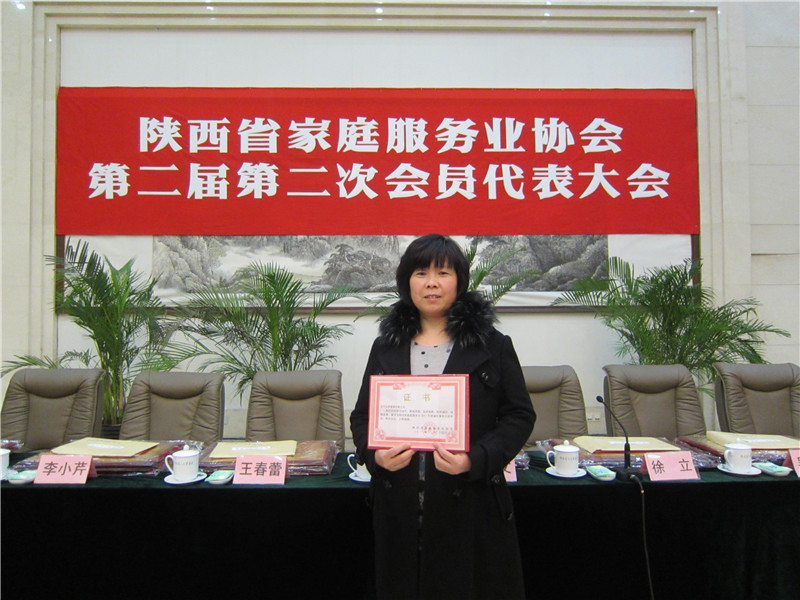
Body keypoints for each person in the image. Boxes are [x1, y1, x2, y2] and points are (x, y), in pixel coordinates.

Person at [350, 234, 536, 600]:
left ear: (459, 281)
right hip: (400, 508)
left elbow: (518, 415)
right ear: (407, 282)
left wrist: (475, 459)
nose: (431, 283)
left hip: (469, 506)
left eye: (443, 273)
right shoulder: (386, 346)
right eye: (421, 273)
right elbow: (361, 417)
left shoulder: (492, 345)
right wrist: (374, 456)